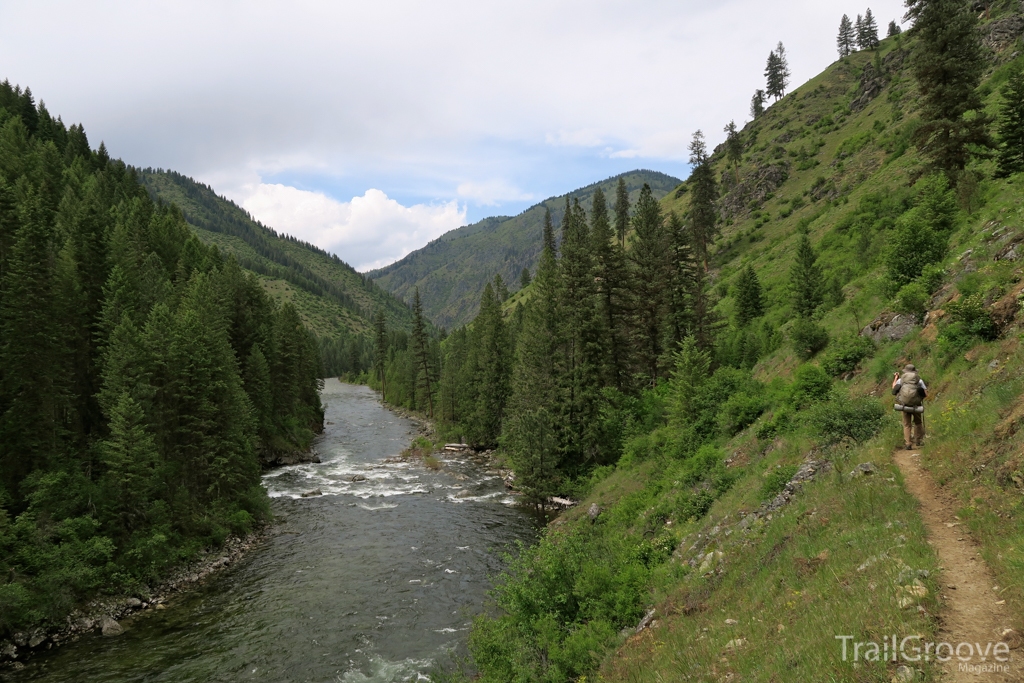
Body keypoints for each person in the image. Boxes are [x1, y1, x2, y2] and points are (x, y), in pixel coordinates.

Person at [892, 364, 927, 449]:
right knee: (918, 423)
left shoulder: (901, 380)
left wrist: (896, 377)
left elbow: (893, 390)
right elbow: (925, 394)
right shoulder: (919, 380)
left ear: (905, 371)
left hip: (905, 405)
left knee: (907, 425)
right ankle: (918, 441)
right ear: (915, 371)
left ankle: (908, 443)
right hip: (916, 405)